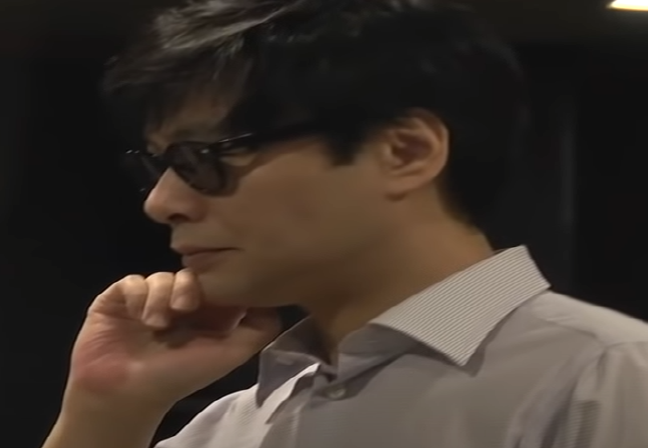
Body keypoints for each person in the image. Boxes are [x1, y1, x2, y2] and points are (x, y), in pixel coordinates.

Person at [42, 1, 648, 447]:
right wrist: (107, 409)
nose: (162, 202)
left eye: (202, 157)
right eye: (159, 167)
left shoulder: (606, 376)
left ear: (405, 152)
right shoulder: (233, 424)